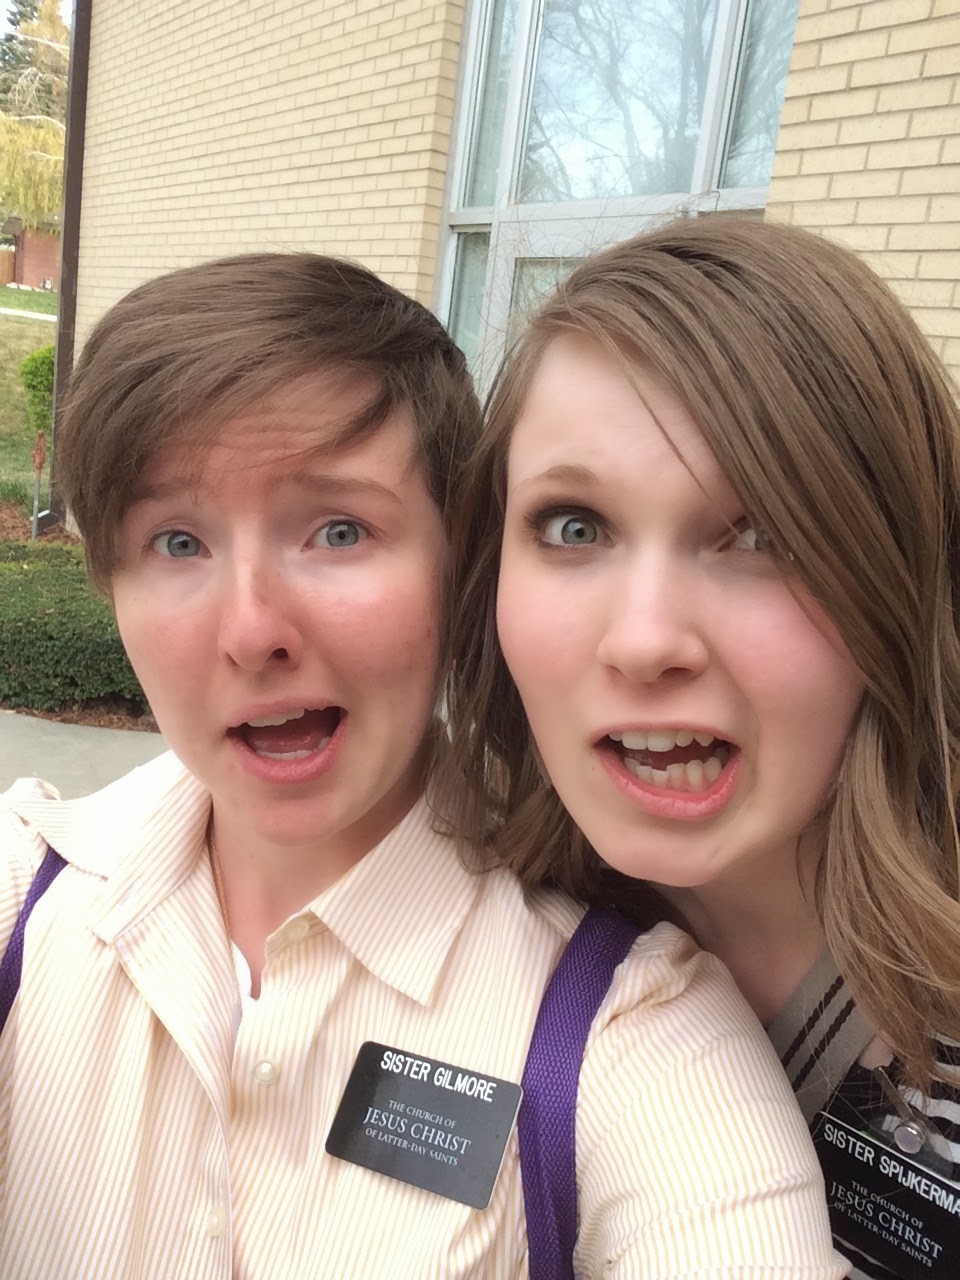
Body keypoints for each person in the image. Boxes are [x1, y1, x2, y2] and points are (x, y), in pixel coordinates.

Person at [0, 252, 843, 1278]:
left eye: (338, 530)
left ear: (463, 566)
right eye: (177, 542)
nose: (253, 631)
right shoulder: (25, 892)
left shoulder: (629, 1026)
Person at [444, 213, 960, 1280]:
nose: (644, 642)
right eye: (574, 526)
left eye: (758, 533)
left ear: (899, 572)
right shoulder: (459, 916)